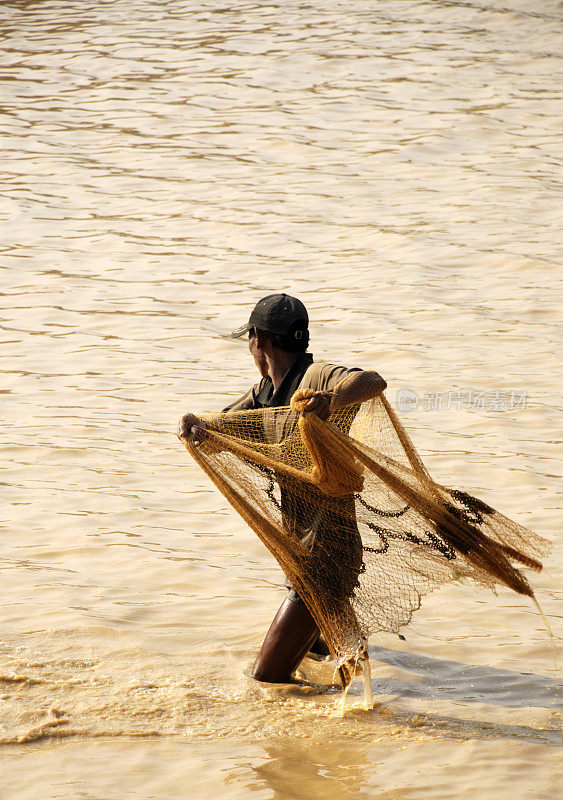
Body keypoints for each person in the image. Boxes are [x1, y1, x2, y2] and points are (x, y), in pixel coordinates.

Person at [177, 293, 386, 683]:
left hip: (326, 560)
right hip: (301, 553)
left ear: (259, 339)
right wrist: (196, 425)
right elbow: (222, 427)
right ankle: (357, 733)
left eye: (250, 341)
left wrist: (331, 401)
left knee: (266, 679)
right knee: (343, 673)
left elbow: (372, 381)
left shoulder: (315, 378)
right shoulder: (264, 394)